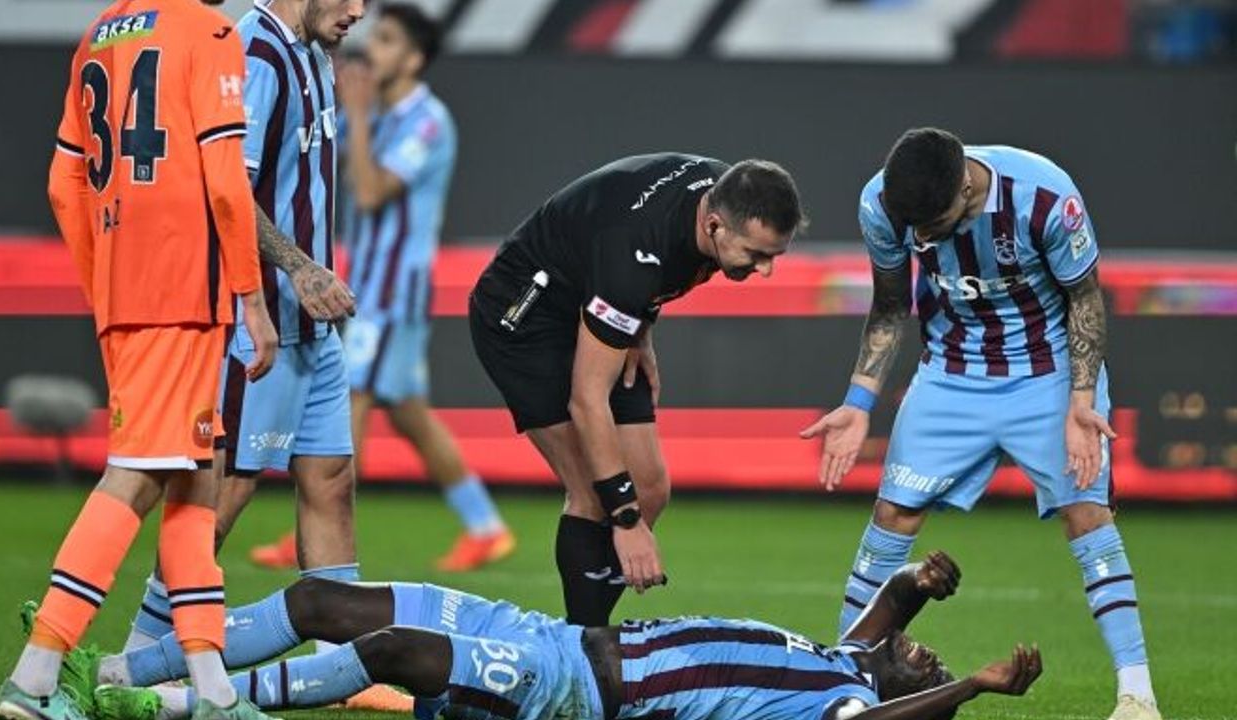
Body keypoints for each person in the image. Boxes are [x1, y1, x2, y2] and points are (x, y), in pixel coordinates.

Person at [802, 127, 1159, 720]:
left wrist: (1080, 402)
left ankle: (1137, 695)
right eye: (912, 226)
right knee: (892, 513)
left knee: (1087, 512)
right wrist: (859, 402)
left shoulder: (1045, 197)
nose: (920, 237)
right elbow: (890, 305)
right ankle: (840, 679)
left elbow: (1085, 299)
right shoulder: (882, 203)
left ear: (966, 188)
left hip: (1049, 373)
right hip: (952, 372)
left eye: (932, 224)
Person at [0, 0, 279, 717]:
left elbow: (62, 185)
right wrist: (252, 297)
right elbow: (226, 180)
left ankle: (213, 691)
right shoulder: (210, 32)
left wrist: (106, 284)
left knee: (195, 482)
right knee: (136, 478)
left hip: (128, 294)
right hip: (185, 295)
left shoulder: (99, 34)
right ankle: (35, 675)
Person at [122, 0, 369, 658]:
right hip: (258, 320)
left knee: (331, 480)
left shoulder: (313, 53)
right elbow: (225, 186)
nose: (359, 11)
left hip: (313, 323)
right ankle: (138, 656)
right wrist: (298, 268)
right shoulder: (253, 54)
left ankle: (344, 666)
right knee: (225, 490)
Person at [80, 552, 1043, 720]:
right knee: (321, 600)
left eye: (928, 672)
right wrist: (915, 585)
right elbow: (885, 622)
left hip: (578, 693)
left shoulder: (839, 702)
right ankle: (120, 667)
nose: (926, 655)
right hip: (551, 633)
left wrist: (970, 689)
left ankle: (171, 705)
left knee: (391, 655)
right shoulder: (847, 656)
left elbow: (883, 709)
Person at [470, 154, 804, 625]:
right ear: (713, 225)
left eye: (774, 255)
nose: (766, 270)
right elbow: (587, 401)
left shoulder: (726, 190)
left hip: (596, 297)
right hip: (525, 317)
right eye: (756, 255)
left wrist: (640, 329)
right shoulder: (634, 256)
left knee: (647, 489)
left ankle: (586, 641)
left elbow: (648, 266)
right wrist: (626, 523)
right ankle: (584, 650)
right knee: (596, 496)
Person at [250, 2, 515, 574]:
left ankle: (309, 528)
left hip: (393, 289)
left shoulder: (427, 122)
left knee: (352, 399)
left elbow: (370, 192)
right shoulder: (373, 113)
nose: (373, 49)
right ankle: (486, 527)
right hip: (368, 281)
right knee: (409, 414)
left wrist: (358, 112)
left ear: (414, 60)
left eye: (388, 40)